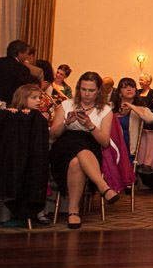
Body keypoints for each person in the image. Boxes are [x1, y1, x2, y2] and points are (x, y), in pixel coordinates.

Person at [48, 71, 119, 229]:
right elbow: (53, 134)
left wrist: (90, 126)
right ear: (79, 88)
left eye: (91, 90)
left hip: (90, 147)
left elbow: (105, 142)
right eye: (83, 89)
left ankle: (73, 212)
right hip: (64, 147)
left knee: (76, 162)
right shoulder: (66, 105)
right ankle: (103, 187)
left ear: (98, 91)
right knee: (78, 145)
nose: (86, 94)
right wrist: (66, 123)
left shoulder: (106, 110)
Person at [110, 77, 153, 163]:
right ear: (119, 92)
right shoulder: (112, 108)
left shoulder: (140, 108)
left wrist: (131, 106)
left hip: (130, 152)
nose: (129, 89)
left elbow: (151, 118)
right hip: (113, 149)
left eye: (132, 87)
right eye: (125, 87)